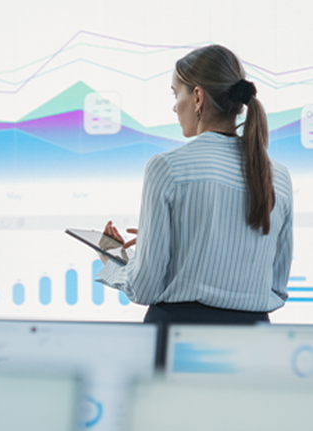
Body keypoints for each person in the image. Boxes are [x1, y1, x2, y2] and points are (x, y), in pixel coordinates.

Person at [96, 45, 292, 363]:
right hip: (254, 349)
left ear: (198, 98)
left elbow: (144, 288)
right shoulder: (279, 177)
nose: (175, 107)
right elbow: (278, 288)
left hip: (178, 345)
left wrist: (116, 260)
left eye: (176, 95)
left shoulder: (167, 168)